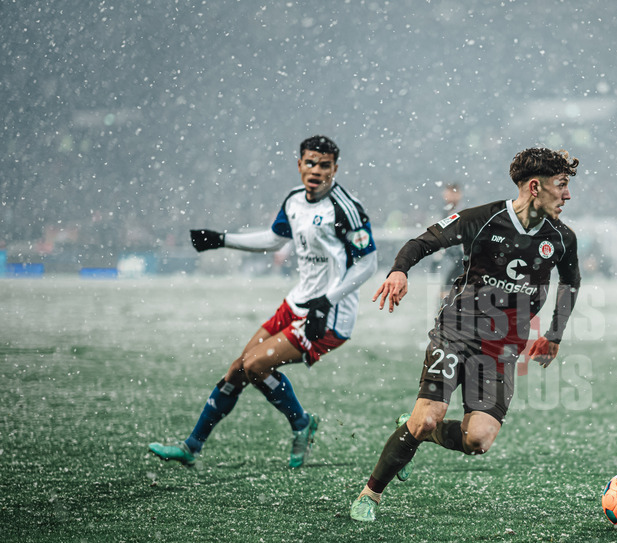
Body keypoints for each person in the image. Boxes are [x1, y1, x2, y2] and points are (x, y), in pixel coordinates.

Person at [349, 148, 582, 522]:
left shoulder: (561, 238)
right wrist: (399, 271)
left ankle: (414, 433)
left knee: (479, 440)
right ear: (535, 187)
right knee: (427, 417)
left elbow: (571, 283)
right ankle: (370, 493)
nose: (567, 195)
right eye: (562, 185)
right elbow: (422, 242)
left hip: (503, 347)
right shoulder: (484, 219)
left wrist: (554, 334)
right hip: (457, 330)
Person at [148, 135, 378, 468]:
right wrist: (223, 240)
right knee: (236, 370)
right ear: (299, 164)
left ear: (335, 168)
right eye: (310, 163)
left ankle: (300, 423)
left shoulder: (346, 208)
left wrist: (328, 300)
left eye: (324, 165)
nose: (315, 170)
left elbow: (368, 263)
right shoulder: (295, 200)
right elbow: (274, 239)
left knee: (255, 366)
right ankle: (191, 447)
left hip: (329, 315)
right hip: (297, 303)